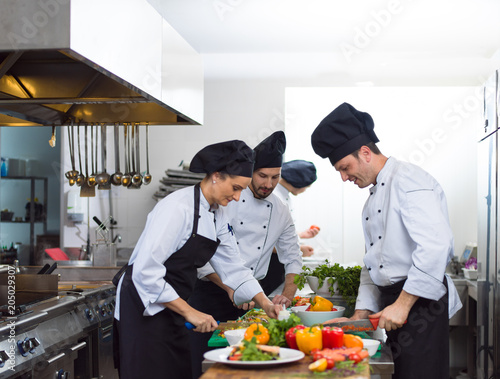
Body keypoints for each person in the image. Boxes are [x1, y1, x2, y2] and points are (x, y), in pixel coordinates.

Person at [311, 102, 462, 379]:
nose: (344, 177)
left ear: (365, 153)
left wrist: (403, 305)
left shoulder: (410, 180)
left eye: (345, 168)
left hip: (420, 303)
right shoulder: (371, 202)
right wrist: (360, 314)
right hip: (394, 302)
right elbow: (373, 266)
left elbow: (435, 247)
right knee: (398, 373)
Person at [113, 140, 282, 379]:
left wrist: (265, 304)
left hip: (172, 306)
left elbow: (234, 267)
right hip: (143, 308)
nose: (237, 197)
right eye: (235, 187)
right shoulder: (176, 208)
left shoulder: (217, 214)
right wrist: (190, 311)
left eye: (242, 189)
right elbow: (145, 271)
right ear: (215, 176)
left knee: (178, 371)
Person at [189, 131, 303, 378]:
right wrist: (233, 289)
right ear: (250, 171)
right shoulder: (226, 200)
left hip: (251, 300)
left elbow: (293, 256)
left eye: (275, 177)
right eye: (262, 175)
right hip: (210, 295)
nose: (268, 184)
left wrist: (287, 295)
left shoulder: (281, 210)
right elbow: (207, 259)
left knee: (247, 365)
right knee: (206, 365)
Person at [274, 159, 320, 257]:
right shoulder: (276, 199)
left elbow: (280, 234)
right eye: (307, 187)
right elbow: (266, 241)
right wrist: (298, 250)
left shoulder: (283, 195)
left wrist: (301, 234)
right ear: (299, 183)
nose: (305, 190)